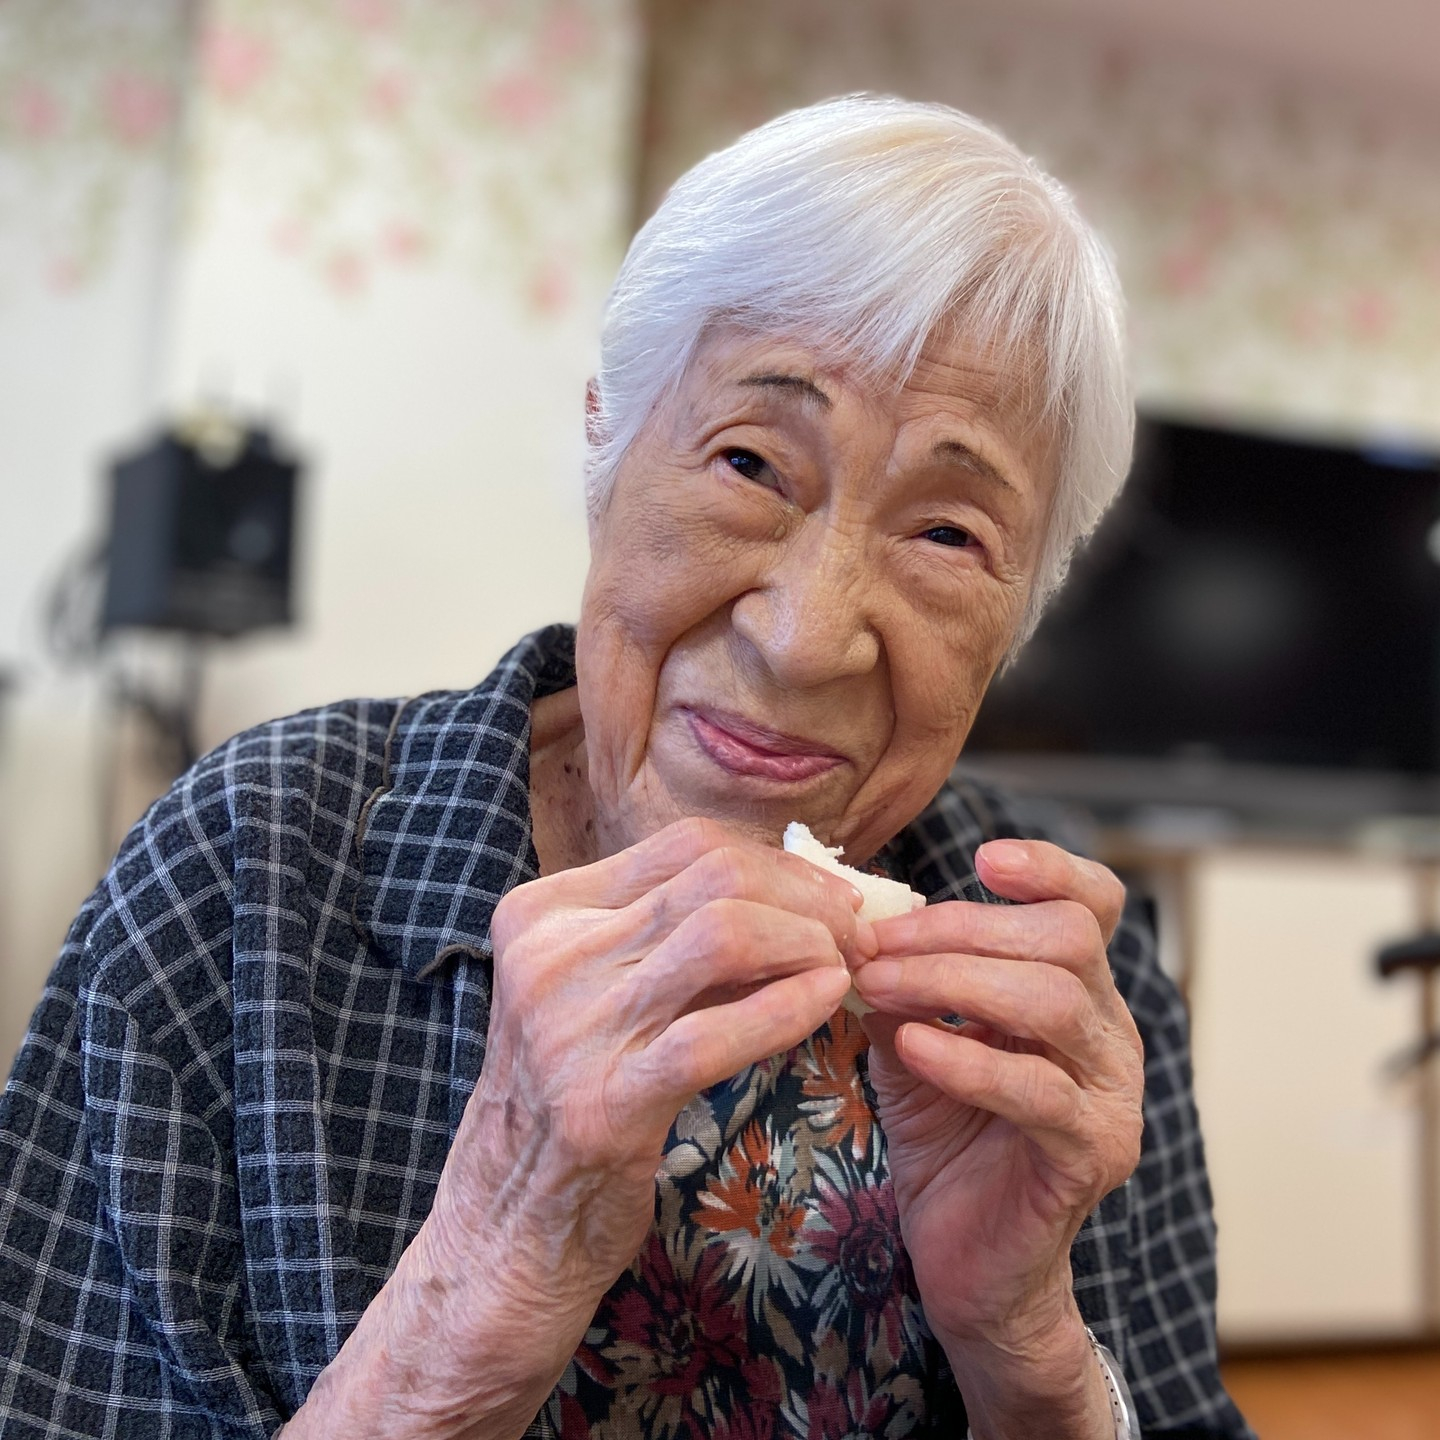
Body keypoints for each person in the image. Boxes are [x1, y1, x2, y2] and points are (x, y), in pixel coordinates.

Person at [0, 96, 1253, 1440]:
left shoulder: (1061, 973)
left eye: (948, 534)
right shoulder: (253, 861)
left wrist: (1029, 1350)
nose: (807, 635)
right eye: (750, 460)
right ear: (608, 442)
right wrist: (494, 1258)